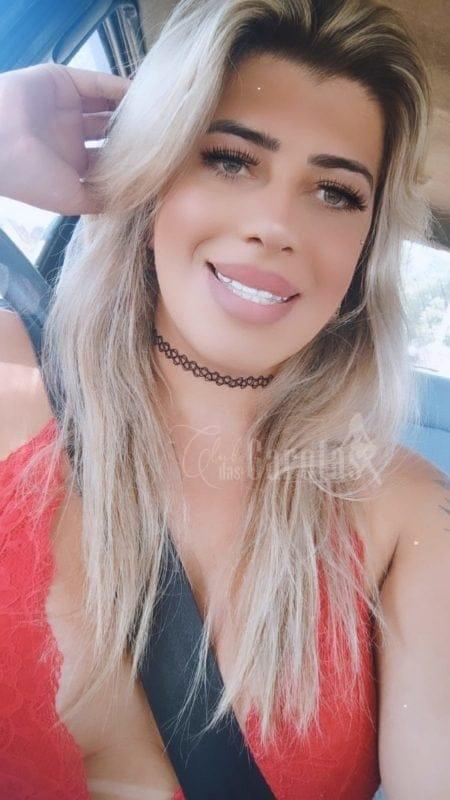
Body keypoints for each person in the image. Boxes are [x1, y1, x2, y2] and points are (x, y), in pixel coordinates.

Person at [0, 1, 449, 798]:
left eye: (335, 192)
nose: (275, 224)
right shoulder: (12, 380)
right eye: (230, 160)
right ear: (151, 178)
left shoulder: (408, 511)